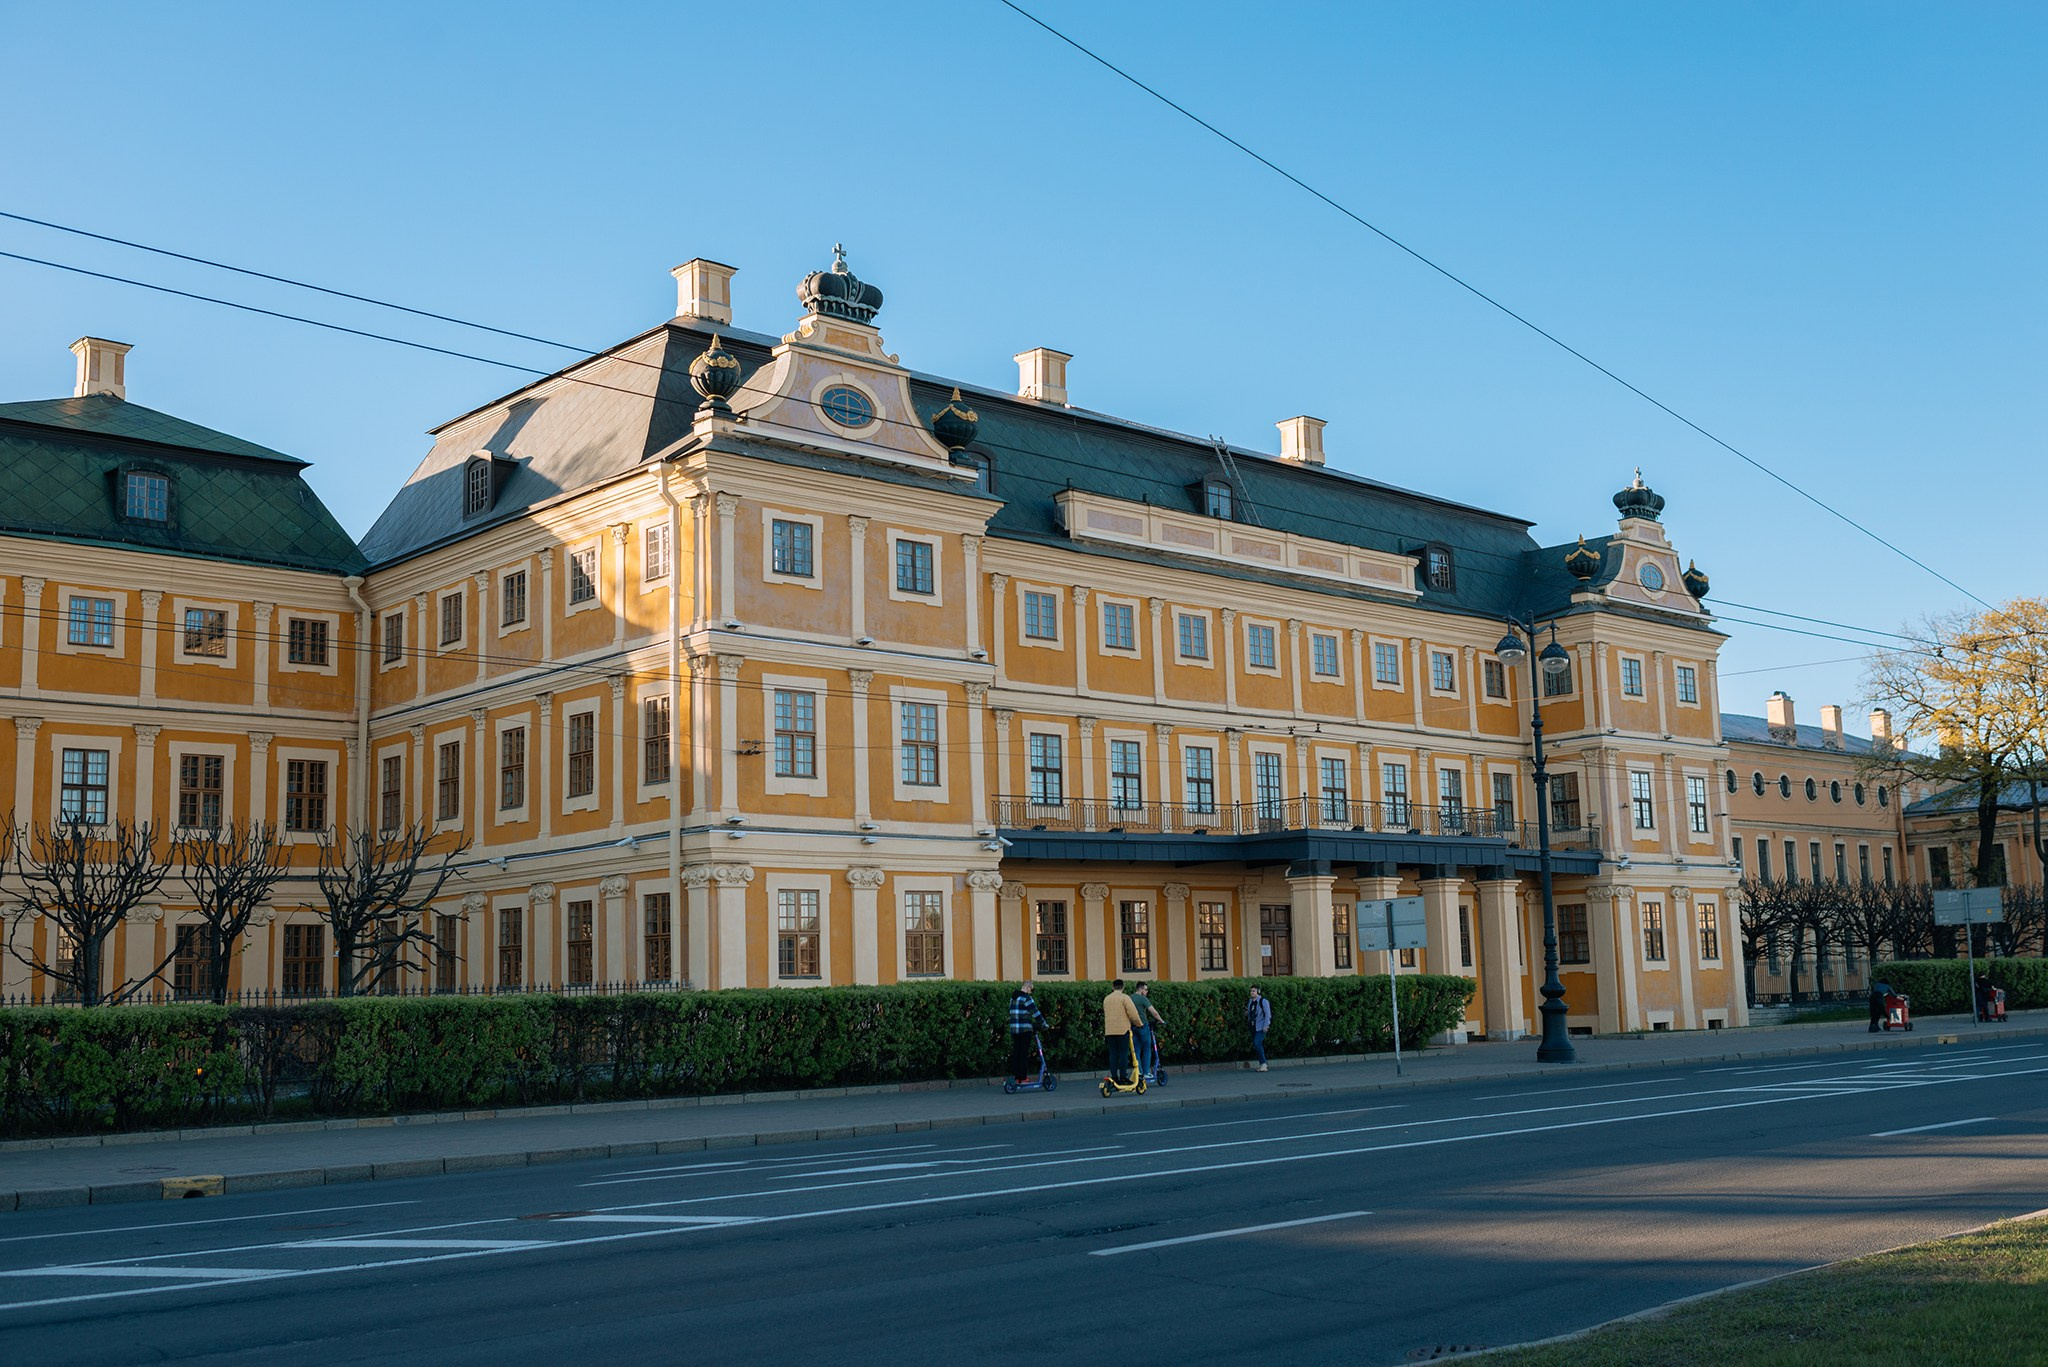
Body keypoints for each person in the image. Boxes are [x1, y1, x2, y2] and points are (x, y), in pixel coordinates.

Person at [1102, 979, 1143, 1083]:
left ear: (1113, 987)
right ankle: (1123, 1077)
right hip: (1123, 1030)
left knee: (1113, 1054)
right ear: (1123, 987)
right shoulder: (1125, 998)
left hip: (1110, 1030)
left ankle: (1114, 1077)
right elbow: (1133, 1013)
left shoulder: (1107, 999)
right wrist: (1139, 1024)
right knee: (1123, 1054)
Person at [1008, 981, 1048, 1086]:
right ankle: (1023, 1077)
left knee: (1017, 1053)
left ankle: (1016, 1077)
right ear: (1027, 987)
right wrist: (1043, 1023)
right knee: (1024, 1054)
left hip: (1014, 1030)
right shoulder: (1026, 998)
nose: (1031, 992)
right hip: (1025, 1030)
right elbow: (1035, 1012)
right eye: (1031, 989)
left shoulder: (1013, 998)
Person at [1131, 982, 1166, 1081]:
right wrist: (1161, 1021)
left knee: (1136, 1050)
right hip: (1143, 1026)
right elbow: (1154, 1012)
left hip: (1132, 1026)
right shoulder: (1143, 999)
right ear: (1141, 989)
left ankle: (1139, 1072)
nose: (1147, 992)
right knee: (1147, 1048)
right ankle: (1146, 1072)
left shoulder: (1129, 998)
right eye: (1146, 989)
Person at [1246, 985, 1272, 1071]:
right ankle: (1262, 1064)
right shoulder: (1250, 1001)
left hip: (1261, 1026)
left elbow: (1267, 1014)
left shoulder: (1263, 1001)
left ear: (1258, 992)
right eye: (1251, 991)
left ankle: (1263, 1064)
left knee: (1257, 1043)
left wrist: (1266, 1025)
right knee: (1256, 1044)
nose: (1252, 993)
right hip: (1253, 1026)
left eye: (1254, 991)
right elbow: (1249, 1012)